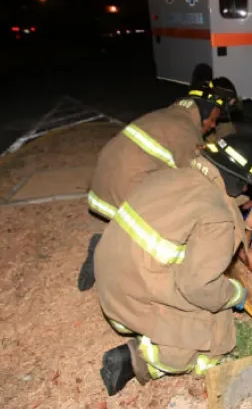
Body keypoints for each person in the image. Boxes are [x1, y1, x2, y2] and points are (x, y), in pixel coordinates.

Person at [94, 134, 252, 396]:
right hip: (128, 302)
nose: (247, 191)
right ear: (238, 181)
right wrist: (236, 293)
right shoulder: (217, 217)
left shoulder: (172, 174)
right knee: (214, 325)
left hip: (109, 276)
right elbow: (197, 286)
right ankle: (140, 359)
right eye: (247, 185)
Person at [77, 85, 233, 291]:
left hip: (102, 186)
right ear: (203, 111)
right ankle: (103, 248)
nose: (213, 126)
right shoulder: (186, 132)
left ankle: (113, 235)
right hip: (123, 187)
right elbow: (198, 179)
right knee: (178, 217)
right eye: (212, 119)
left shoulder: (169, 115)